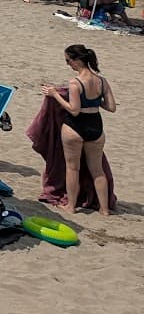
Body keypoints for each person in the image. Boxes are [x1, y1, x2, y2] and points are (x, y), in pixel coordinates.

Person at [42, 45, 117, 216]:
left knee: (72, 168)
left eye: (68, 61)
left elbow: (74, 110)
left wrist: (55, 94)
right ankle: (104, 209)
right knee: (98, 170)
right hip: (96, 125)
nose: (68, 64)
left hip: (75, 126)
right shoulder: (102, 81)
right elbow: (111, 107)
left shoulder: (75, 83)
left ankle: (71, 206)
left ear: (77, 60)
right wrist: (95, 101)